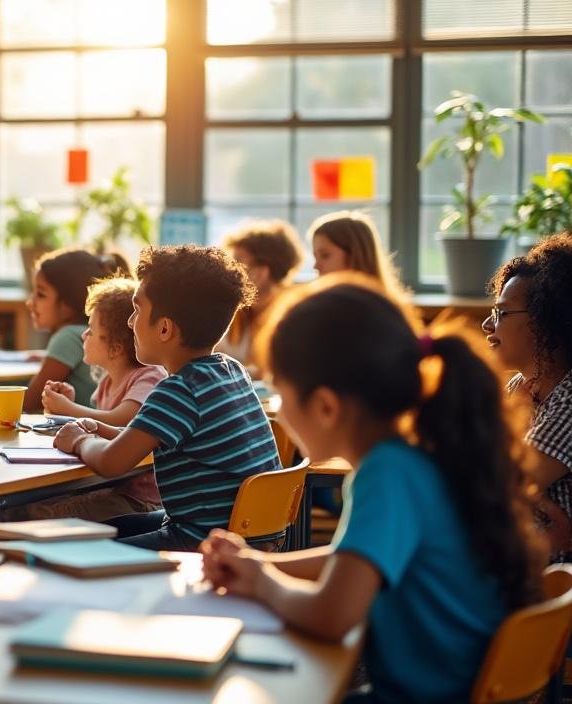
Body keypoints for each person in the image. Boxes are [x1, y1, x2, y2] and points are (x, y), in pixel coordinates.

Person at [202, 274, 546, 703]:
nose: (280, 410)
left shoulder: (388, 473)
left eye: (280, 393)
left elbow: (332, 615)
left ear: (326, 406)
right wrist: (257, 561)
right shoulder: (417, 455)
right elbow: (354, 559)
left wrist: (262, 583)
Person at [51, 246, 281, 551]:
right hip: (253, 534)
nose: (130, 322)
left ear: (164, 328)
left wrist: (77, 442)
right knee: (100, 531)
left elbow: (111, 462)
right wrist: (100, 431)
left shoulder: (179, 390)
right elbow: (149, 439)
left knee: (83, 547)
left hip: (203, 542)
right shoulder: (230, 371)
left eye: (136, 310)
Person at [40, 276, 167, 516]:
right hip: (110, 487)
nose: (83, 336)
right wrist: (71, 404)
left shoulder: (149, 376)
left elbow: (122, 420)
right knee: (36, 509)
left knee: (38, 514)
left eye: (91, 331)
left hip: (141, 501)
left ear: (116, 347)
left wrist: (69, 409)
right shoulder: (107, 381)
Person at [485, 232, 572, 562]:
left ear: (546, 323)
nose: (486, 325)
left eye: (501, 314)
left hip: (553, 586)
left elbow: (497, 483)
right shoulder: (518, 388)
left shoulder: (568, 400)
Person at [23, 249, 131, 411]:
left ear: (66, 305)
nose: (30, 302)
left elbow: (29, 402)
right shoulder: (87, 333)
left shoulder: (67, 337)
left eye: (41, 294)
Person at [218, 219, 304, 371]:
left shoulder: (294, 316)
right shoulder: (234, 312)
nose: (229, 271)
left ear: (262, 271)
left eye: (237, 264)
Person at [307, 210, 403, 296]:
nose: (316, 266)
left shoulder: (380, 308)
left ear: (355, 255)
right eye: (315, 257)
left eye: (325, 255)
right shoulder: (321, 302)